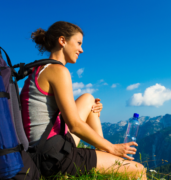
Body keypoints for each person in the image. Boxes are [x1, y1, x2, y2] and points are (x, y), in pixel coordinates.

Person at [21, 21, 147, 179]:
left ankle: (103, 154)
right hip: (53, 157)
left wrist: (93, 111)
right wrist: (113, 148)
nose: (81, 49)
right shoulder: (58, 71)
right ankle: (108, 153)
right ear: (62, 41)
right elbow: (74, 125)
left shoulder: (38, 69)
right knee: (139, 170)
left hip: (44, 148)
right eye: (78, 43)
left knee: (89, 99)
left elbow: (46, 116)